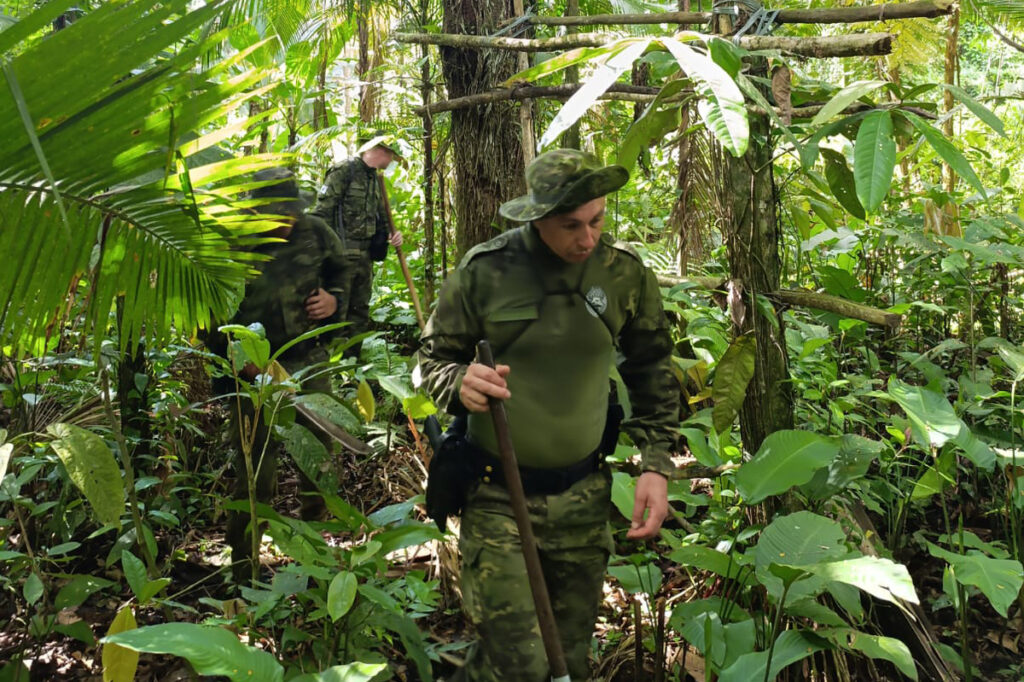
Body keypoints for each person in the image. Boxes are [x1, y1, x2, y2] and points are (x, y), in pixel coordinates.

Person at [415, 149, 680, 680]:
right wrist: (459, 381)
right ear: (537, 219)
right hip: (497, 495)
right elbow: (428, 364)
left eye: (597, 221)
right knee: (522, 665)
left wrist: (655, 464)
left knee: (569, 660)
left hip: (584, 495)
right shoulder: (485, 272)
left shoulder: (622, 273)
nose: (587, 239)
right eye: (571, 226)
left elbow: (651, 366)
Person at [214, 167, 347, 583]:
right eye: (274, 214)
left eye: (288, 213)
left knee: (319, 465)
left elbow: (344, 275)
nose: (284, 222)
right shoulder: (233, 244)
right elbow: (207, 312)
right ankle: (243, 572)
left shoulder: (317, 233)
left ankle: (316, 561)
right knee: (255, 474)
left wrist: (334, 299)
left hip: (309, 361)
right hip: (249, 375)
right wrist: (240, 359)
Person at [311, 131, 403, 357]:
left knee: (359, 312)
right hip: (340, 257)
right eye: (391, 154)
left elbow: (381, 217)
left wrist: (393, 235)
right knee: (335, 313)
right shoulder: (344, 171)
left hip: (365, 258)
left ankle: (351, 370)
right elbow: (321, 214)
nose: (391, 161)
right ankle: (327, 368)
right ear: (381, 150)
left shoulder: (376, 179)